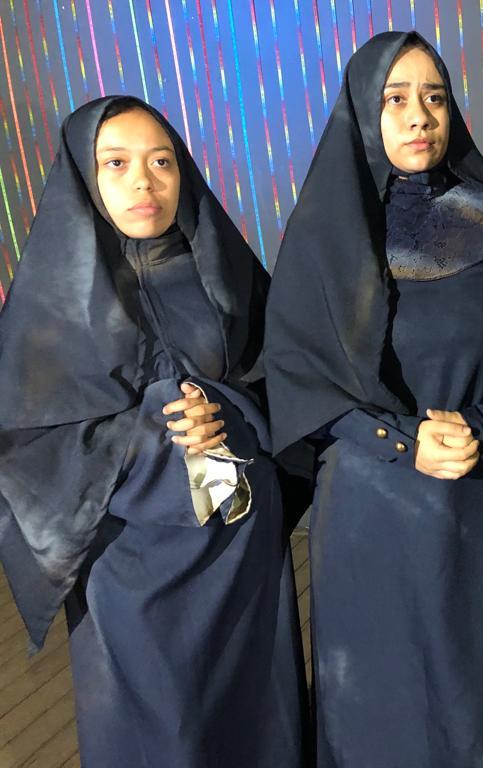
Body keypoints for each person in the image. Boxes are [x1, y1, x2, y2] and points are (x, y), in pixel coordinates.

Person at [263, 32, 483, 768]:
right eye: (395, 99)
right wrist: (405, 441)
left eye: (434, 97)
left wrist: (482, 424)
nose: (419, 115)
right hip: (375, 508)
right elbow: (303, 376)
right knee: (386, 702)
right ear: (362, 114)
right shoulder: (327, 236)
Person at [0, 96, 309, 768]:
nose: (144, 180)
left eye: (161, 162)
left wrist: (227, 413)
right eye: (116, 163)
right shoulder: (52, 304)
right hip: (130, 558)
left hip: (239, 544)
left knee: (257, 715)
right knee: (158, 730)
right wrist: (150, 429)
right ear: (83, 177)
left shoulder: (221, 271)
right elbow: (28, 446)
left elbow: (283, 379)